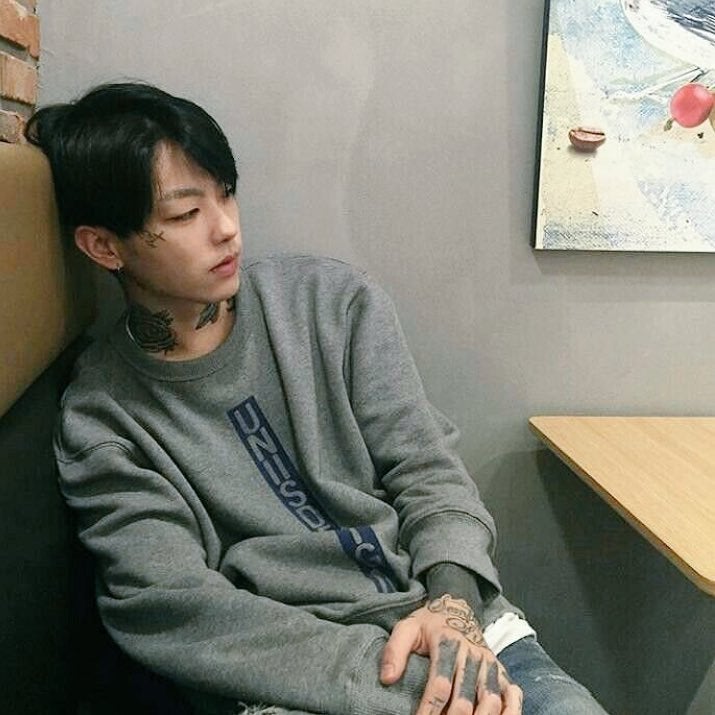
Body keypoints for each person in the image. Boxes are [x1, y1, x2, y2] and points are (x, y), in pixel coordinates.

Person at [26, 82, 608, 715]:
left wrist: (452, 605)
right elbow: (170, 604)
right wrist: (411, 688)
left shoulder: (331, 305)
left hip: (460, 629)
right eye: (186, 214)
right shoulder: (102, 417)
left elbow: (428, 471)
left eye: (227, 193)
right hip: (300, 680)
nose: (227, 229)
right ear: (103, 246)